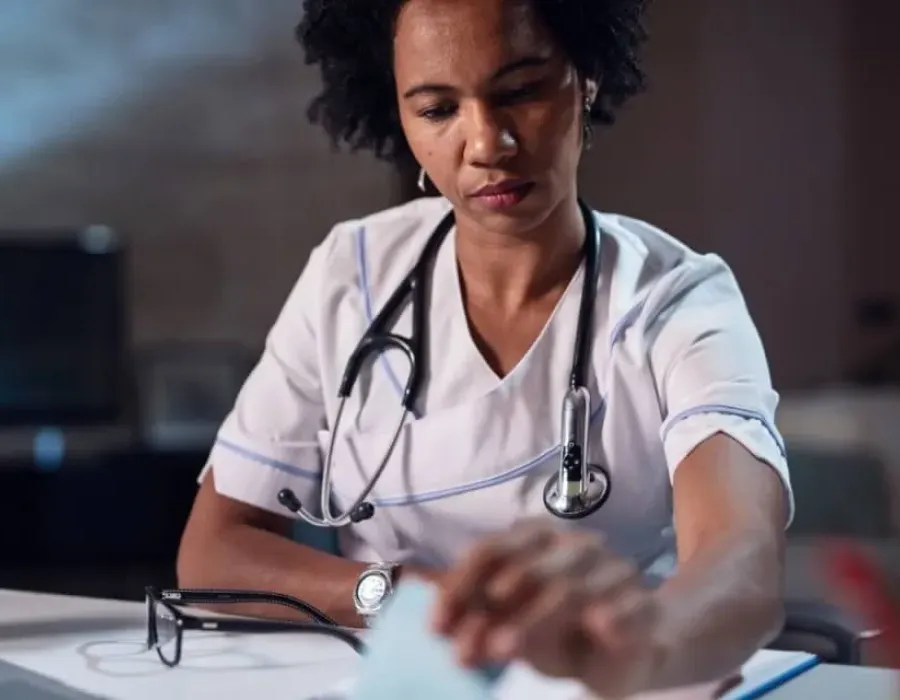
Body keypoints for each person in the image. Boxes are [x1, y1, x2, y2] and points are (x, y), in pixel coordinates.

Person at [176, 0, 792, 695]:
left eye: (521, 91)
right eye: (439, 109)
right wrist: (409, 597)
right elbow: (213, 551)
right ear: (400, 116)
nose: (486, 143)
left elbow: (741, 558)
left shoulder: (678, 300)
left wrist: (638, 647)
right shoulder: (351, 272)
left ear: (585, 79)